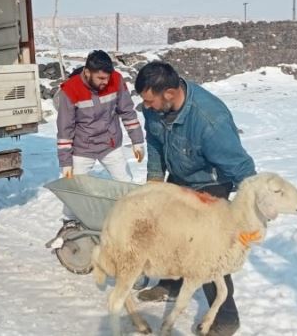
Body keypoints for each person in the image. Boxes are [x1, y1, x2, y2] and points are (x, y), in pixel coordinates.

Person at [133, 61, 256, 336]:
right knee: (165, 230)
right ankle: (172, 283)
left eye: (150, 101)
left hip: (211, 184)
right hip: (180, 176)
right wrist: (154, 179)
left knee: (206, 251)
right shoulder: (155, 109)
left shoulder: (210, 121)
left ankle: (226, 317)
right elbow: (154, 141)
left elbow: (242, 169)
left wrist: (245, 214)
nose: (147, 107)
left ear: (168, 93)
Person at [56, 50, 145, 210]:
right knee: (73, 188)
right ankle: (69, 222)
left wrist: (137, 141)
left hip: (109, 144)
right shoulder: (70, 90)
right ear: (87, 72)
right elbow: (65, 129)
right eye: (101, 78)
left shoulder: (116, 80)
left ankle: (131, 214)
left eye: (107, 78)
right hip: (82, 148)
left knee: (125, 184)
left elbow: (127, 112)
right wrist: (66, 163)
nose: (105, 82)